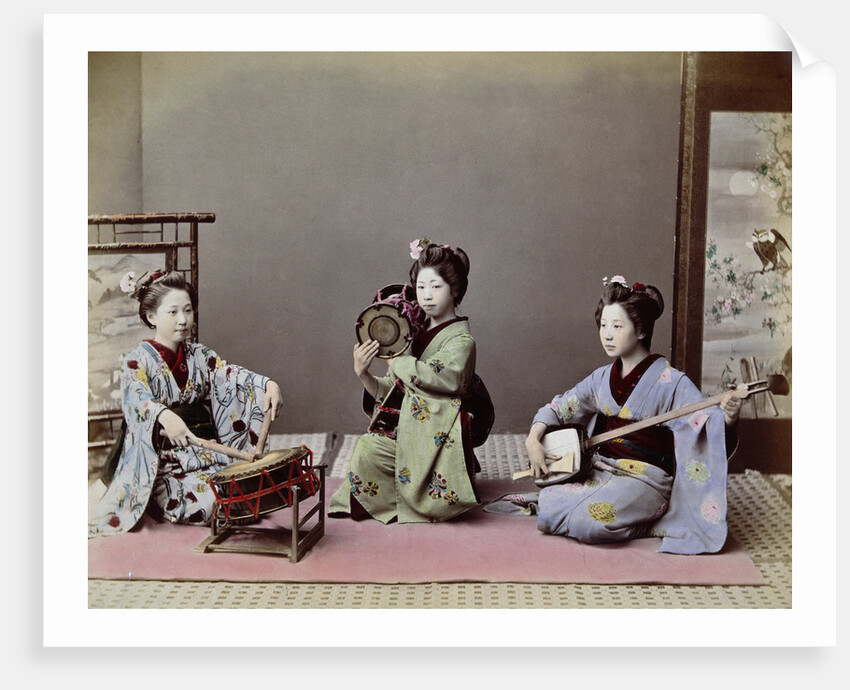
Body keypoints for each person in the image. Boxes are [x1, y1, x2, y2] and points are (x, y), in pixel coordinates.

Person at [486, 275, 740, 555]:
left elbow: (705, 424)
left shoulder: (672, 381)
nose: (607, 335)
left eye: (617, 326)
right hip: (603, 468)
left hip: (647, 478)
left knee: (590, 523)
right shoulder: (601, 378)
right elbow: (560, 406)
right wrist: (533, 438)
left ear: (641, 331)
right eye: (603, 325)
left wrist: (727, 418)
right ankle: (627, 513)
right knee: (549, 506)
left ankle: (650, 520)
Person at [88, 270, 282, 537]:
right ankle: (153, 500)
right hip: (164, 463)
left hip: (205, 454)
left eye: (188, 311)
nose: (183, 320)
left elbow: (230, 376)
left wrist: (267, 385)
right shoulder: (137, 361)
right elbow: (137, 397)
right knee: (211, 503)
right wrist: (163, 415)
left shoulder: (200, 356)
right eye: (173, 312)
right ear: (151, 317)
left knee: (246, 489)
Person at [328, 239, 482, 523]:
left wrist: (396, 361)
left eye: (436, 287)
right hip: (412, 428)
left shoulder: (462, 341)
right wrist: (363, 373)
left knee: (369, 450)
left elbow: (434, 378)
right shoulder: (415, 333)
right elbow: (398, 391)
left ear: (455, 289)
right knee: (368, 447)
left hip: (438, 433)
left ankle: (413, 497)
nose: (427, 295)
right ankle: (386, 498)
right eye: (421, 287)